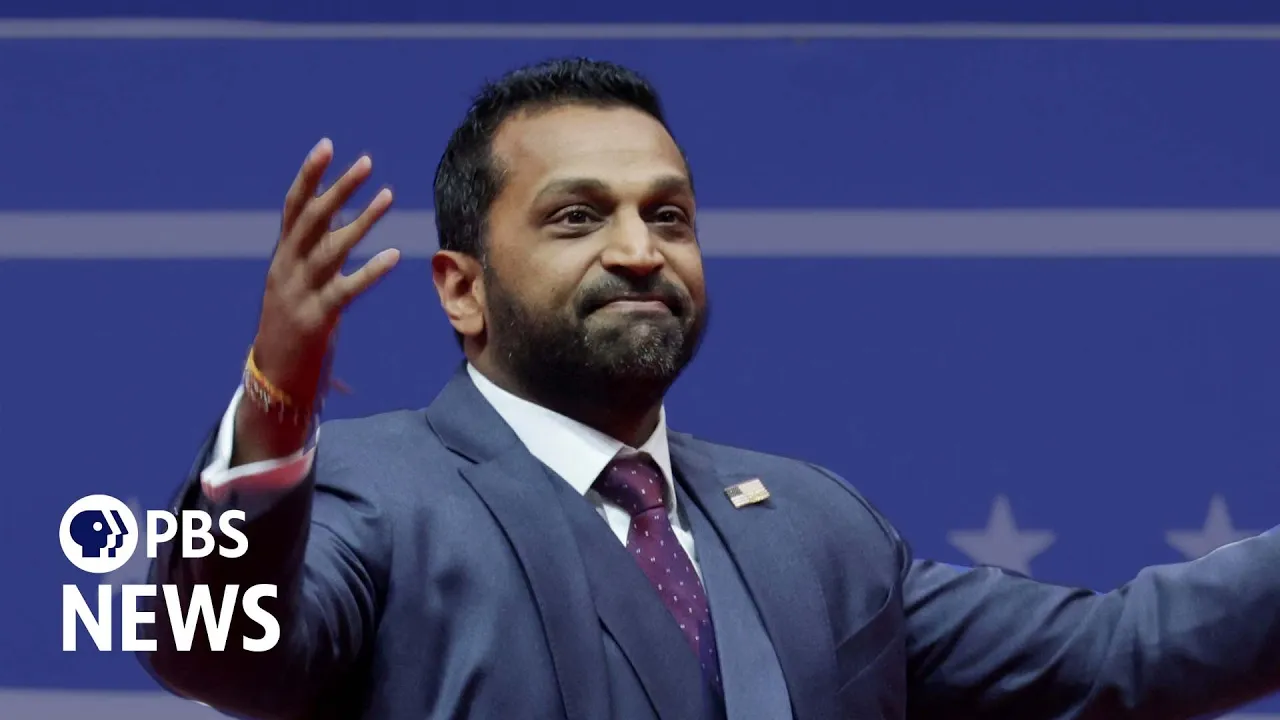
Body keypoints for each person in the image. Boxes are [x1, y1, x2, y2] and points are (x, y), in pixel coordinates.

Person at [139, 57, 1280, 720]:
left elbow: (1121, 654)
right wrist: (275, 400)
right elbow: (211, 649)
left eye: (669, 215)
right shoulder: (372, 490)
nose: (640, 250)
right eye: (578, 217)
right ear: (462, 289)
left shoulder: (814, 525)